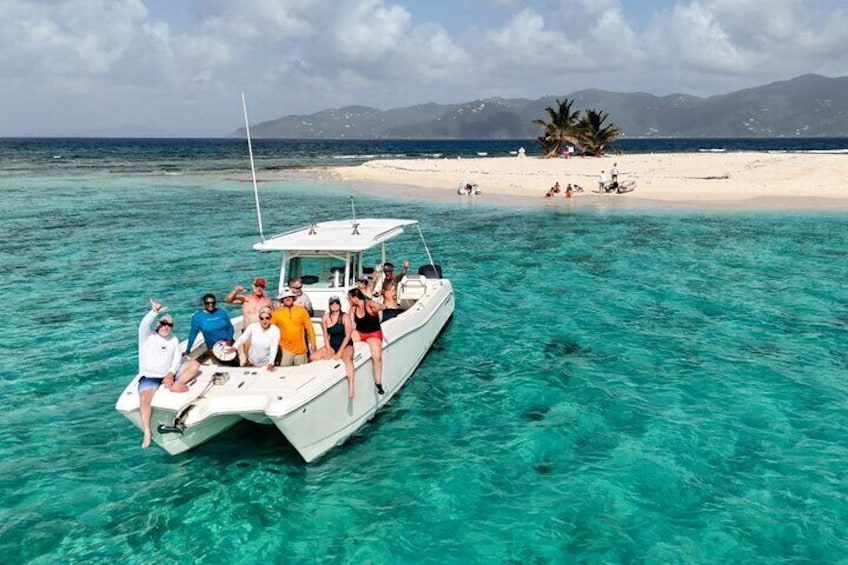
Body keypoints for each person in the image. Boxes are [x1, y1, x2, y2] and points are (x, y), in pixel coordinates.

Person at [137, 300, 198, 449]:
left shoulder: (173, 339)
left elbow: (177, 359)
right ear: (158, 324)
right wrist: (154, 311)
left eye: (169, 325)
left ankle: (176, 385)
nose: (166, 327)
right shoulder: (147, 336)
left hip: (168, 374)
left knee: (195, 365)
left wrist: (171, 374)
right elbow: (144, 324)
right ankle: (147, 431)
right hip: (150, 376)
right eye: (163, 323)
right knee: (145, 399)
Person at [310, 296, 356, 399]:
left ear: (340, 305)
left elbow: (348, 335)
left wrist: (339, 352)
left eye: (336, 303)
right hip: (332, 344)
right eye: (332, 303)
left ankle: (352, 387)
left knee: (347, 360)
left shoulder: (345, 317)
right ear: (330, 305)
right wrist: (329, 351)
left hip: (345, 344)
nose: (334, 305)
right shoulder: (326, 317)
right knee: (313, 357)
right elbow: (326, 336)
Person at [224, 276, 273, 364]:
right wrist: (236, 290)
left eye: (261, 287)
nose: (259, 288)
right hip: (248, 333)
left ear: (264, 288)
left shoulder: (267, 301)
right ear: (253, 286)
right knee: (247, 355)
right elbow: (228, 300)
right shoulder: (245, 299)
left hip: (262, 332)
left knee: (263, 354)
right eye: (257, 286)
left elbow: (273, 315)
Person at [348, 288, 386, 395]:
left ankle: (378, 382)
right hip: (360, 333)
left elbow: (380, 307)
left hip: (373, 333)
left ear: (355, 298)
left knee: (377, 357)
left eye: (349, 298)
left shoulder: (369, 305)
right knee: (347, 340)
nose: (348, 300)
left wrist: (382, 307)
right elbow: (351, 326)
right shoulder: (352, 309)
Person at [186, 293, 237, 366]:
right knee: (226, 366)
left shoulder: (221, 312)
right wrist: (188, 350)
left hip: (229, 344)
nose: (211, 304)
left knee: (236, 364)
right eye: (208, 303)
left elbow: (230, 327)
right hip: (214, 349)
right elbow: (192, 335)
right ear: (204, 303)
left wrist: (229, 342)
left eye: (213, 302)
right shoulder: (197, 317)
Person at [271, 288, 316, 366]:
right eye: (285, 297)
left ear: (293, 298)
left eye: (290, 297)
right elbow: (271, 331)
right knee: (284, 372)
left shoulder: (302, 310)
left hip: (301, 349)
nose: (288, 299)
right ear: (281, 300)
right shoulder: (276, 314)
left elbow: (309, 328)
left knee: (302, 372)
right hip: (285, 349)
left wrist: (313, 343)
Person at [229, 306, 280, 371]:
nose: (264, 320)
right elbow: (243, 337)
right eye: (262, 318)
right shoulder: (253, 326)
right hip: (251, 363)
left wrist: (271, 362)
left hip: (266, 365)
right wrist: (235, 346)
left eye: (267, 318)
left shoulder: (275, 330)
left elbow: (274, 347)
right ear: (259, 319)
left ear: (270, 318)